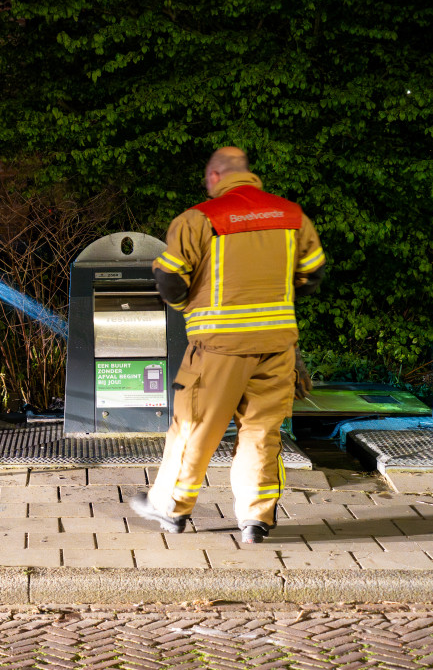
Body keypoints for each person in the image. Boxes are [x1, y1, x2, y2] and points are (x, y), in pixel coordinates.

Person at [130, 146, 326, 544]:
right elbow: (313, 275)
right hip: (277, 346)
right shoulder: (292, 216)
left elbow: (170, 279)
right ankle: (256, 520)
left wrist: (190, 306)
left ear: (215, 177)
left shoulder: (198, 219)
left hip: (218, 347)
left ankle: (171, 508)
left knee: (195, 428)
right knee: (262, 433)